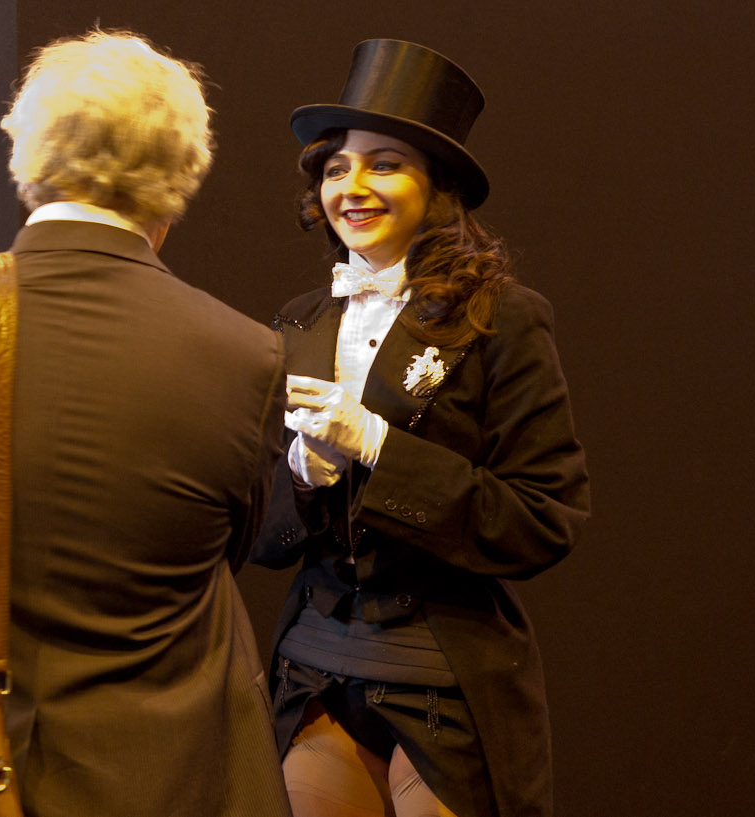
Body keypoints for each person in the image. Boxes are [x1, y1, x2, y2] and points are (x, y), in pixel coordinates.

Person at [0, 31, 291, 816]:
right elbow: (229, 548)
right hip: (149, 784)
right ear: (183, 172)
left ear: (24, 149)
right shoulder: (242, 354)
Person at [253, 40, 591, 817]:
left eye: (385, 163)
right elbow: (263, 537)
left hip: (447, 674)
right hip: (317, 665)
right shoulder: (298, 323)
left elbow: (547, 517)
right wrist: (304, 471)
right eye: (337, 167)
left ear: (435, 188)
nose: (354, 186)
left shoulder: (502, 317)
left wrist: (378, 447)